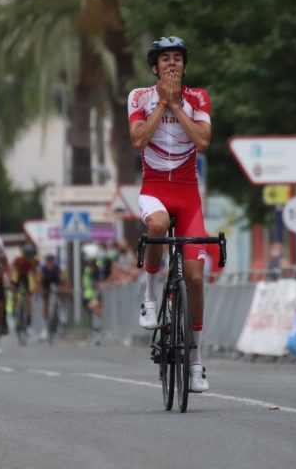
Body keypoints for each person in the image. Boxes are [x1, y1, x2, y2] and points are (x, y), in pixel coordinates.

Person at [127, 35, 212, 392]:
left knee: (194, 278)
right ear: (154, 67)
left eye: (178, 58)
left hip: (188, 194)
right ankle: (149, 296)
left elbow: (203, 142)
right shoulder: (138, 97)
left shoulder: (198, 98)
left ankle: (195, 363)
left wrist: (177, 105)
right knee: (158, 225)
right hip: (155, 189)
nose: (172, 64)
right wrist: (161, 104)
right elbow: (138, 140)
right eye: (165, 60)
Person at [35, 254, 68, 341]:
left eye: (51, 262)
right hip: (46, 283)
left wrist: (63, 289)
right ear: (46, 262)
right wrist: (40, 291)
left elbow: (65, 281)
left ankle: (62, 317)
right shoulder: (41, 269)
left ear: (54, 262)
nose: (50, 264)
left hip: (57, 282)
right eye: (48, 262)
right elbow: (38, 283)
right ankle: (45, 328)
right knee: (45, 302)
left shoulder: (60, 268)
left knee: (62, 296)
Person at [12, 242, 39, 334]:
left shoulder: (35, 259)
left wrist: (36, 285)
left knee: (28, 298)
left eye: (30, 257)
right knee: (14, 293)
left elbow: (35, 272)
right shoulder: (18, 259)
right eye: (27, 257)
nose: (28, 259)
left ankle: (28, 320)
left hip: (27, 276)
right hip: (18, 275)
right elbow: (12, 271)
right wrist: (12, 284)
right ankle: (14, 311)